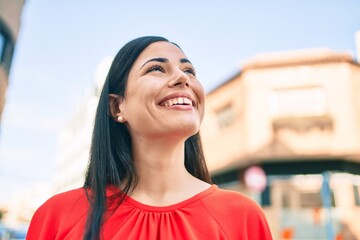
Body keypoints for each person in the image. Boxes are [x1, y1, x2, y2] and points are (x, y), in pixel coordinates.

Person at [26, 36, 273, 240]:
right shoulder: (56, 217)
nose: (183, 78)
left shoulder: (243, 217)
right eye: (156, 68)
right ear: (117, 107)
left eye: (189, 70)